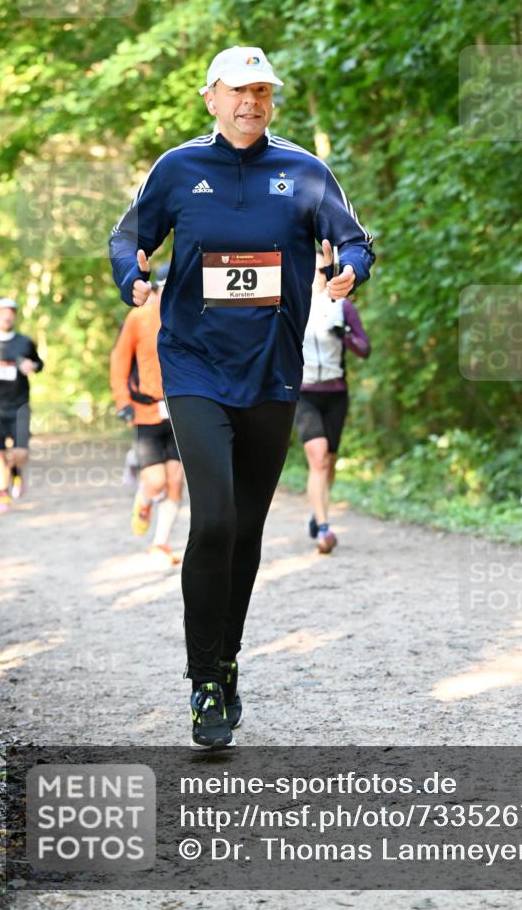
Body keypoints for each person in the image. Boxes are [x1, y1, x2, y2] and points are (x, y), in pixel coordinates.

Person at [109, 45, 375, 749]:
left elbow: (354, 242)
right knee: (216, 518)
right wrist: (129, 277)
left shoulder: (304, 172)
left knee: (249, 533)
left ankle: (225, 665)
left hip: (271, 371)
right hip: (194, 367)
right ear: (211, 97)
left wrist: (348, 269)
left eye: (261, 91)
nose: (250, 102)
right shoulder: (176, 169)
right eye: (238, 90)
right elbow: (127, 238)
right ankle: (202, 681)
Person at [296, 250, 371, 553]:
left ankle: (318, 512)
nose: (320, 274)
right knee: (317, 456)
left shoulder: (343, 308)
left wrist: (346, 336)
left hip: (336, 393)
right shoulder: (295, 305)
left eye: (326, 269)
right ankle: (324, 528)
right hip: (303, 393)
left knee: (329, 463)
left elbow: (365, 349)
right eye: (315, 269)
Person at [110, 263, 184, 566]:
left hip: (181, 411)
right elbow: (119, 360)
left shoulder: (189, 319)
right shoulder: (139, 318)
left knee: (176, 481)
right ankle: (143, 499)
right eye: (166, 288)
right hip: (146, 410)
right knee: (155, 482)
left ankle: (161, 543)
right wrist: (121, 400)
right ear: (156, 288)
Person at [0, 297, 44, 513]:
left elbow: (39, 363)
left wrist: (33, 365)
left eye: (11, 311)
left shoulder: (24, 342)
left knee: (21, 454)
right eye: (2, 310)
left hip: (20, 405)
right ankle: (2, 495)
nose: (7, 314)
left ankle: (16, 473)